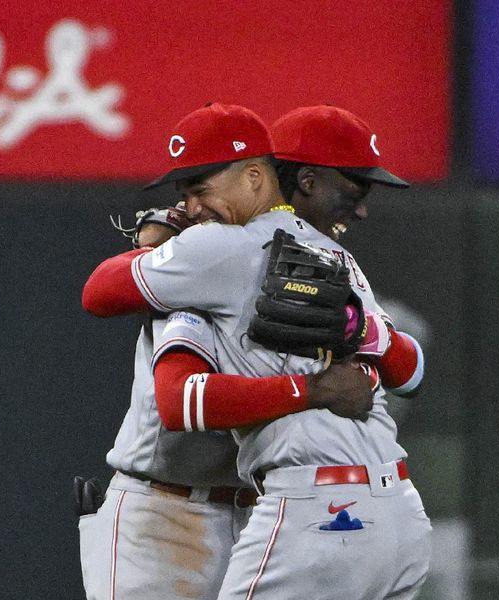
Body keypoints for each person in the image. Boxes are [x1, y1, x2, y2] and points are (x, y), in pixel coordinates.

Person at [82, 102, 431, 599]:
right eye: (185, 195)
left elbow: (97, 292)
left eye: (199, 190)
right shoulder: (314, 258)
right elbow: (178, 398)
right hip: (391, 514)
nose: (191, 208)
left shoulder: (243, 252)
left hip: (300, 507)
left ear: (253, 177)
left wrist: (360, 332)